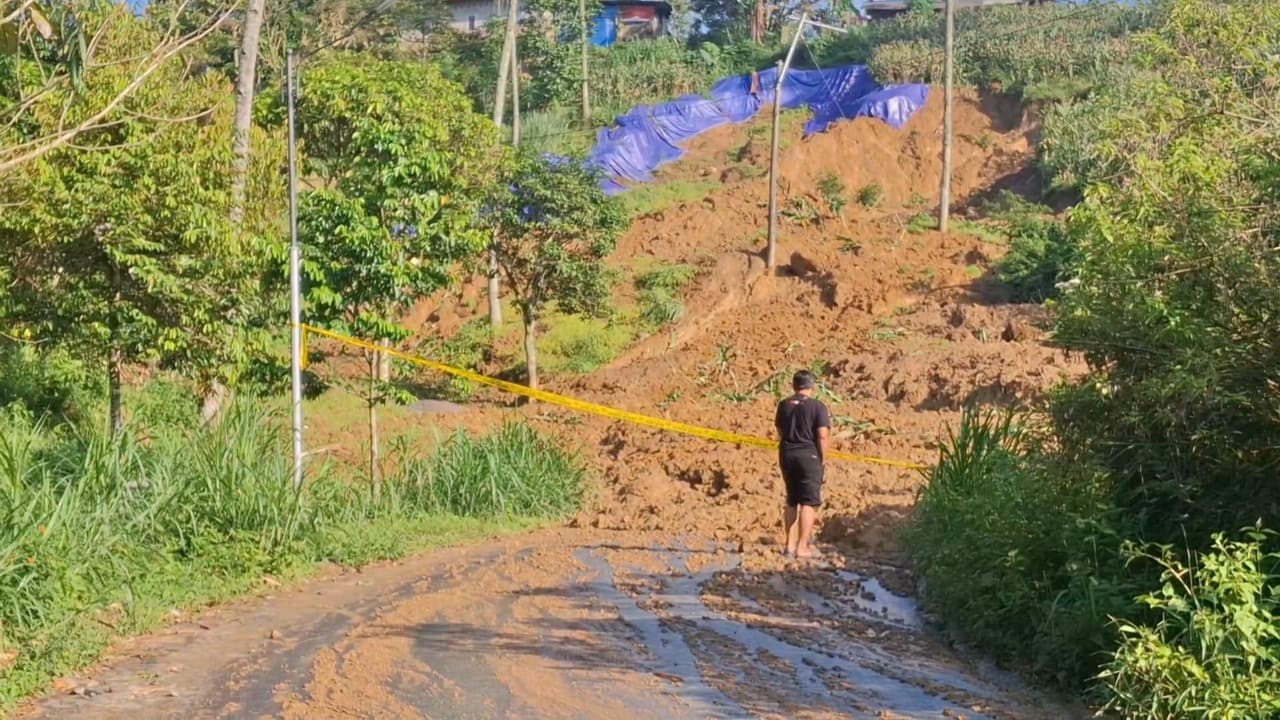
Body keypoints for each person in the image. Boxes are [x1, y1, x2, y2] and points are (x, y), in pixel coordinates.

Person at [774, 369, 831, 558]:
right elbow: (822, 435)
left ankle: (789, 545)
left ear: (794, 386)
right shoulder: (818, 407)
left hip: (787, 455)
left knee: (791, 500)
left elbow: (780, 430)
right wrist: (823, 458)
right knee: (808, 502)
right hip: (809, 456)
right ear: (812, 386)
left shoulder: (784, 405)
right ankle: (802, 546)